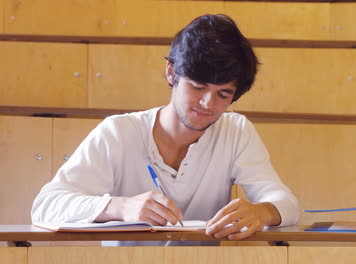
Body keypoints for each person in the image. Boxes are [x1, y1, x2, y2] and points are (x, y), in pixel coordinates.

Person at [31, 14, 299, 246]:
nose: (208, 104)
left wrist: (261, 212)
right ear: (171, 72)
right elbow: (46, 206)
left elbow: (284, 201)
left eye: (223, 94)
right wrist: (121, 207)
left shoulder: (236, 130)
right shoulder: (119, 132)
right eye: (198, 86)